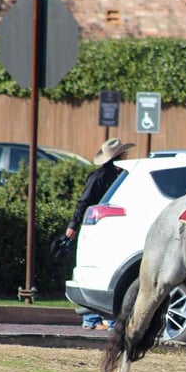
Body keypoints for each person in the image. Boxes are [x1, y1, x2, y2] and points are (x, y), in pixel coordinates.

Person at [65, 138, 135, 329]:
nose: (127, 155)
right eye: (124, 153)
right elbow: (84, 202)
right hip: (100, 229)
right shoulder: (101, 177)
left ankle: (97, 319)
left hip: (106, 229)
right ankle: (94, 319)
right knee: (98, 272)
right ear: (119, 156)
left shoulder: (116, 176)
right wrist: (73, 225)